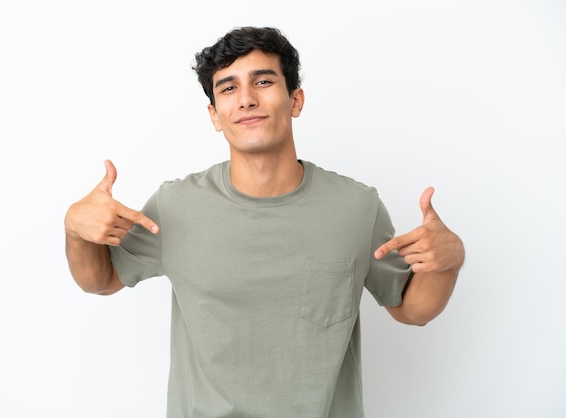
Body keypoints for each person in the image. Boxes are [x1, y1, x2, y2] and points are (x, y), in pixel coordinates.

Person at [64, 26, 465, 418]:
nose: (246, 100)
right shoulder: (175, 205)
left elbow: (412, 309)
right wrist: (75, 230)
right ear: (215, 115)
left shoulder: (357, 207)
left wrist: (448, 263)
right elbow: (101, 280)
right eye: (228, 88)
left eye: (263, 81)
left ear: (296, 100)